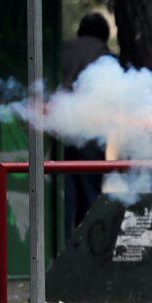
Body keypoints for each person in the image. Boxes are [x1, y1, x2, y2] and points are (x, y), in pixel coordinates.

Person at [61, 13, 114, 236]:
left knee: (64, 195)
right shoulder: (104, 55)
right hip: (90, 135)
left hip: (58, 132)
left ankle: (60, 249)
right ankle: (86, 248)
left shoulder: (62, 50)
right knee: (90, 197)